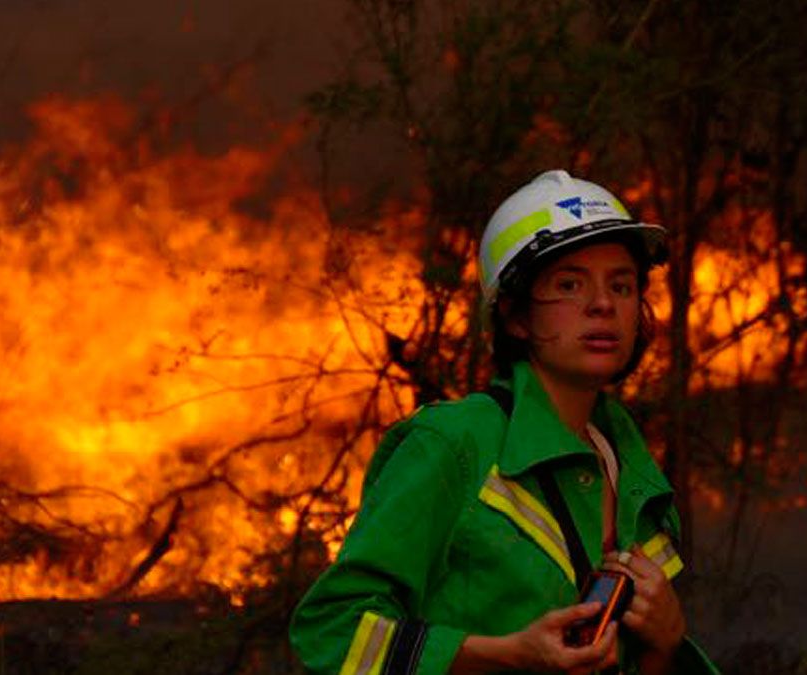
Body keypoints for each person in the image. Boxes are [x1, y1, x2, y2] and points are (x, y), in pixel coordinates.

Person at [290, 170, 719, 674]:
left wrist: (664, 646)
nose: (603, 304)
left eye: (621, 285)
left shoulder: (635, 474)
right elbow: (330, 631)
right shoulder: (453, 445)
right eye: (569, 284)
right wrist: (505, 655)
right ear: (515, 316)